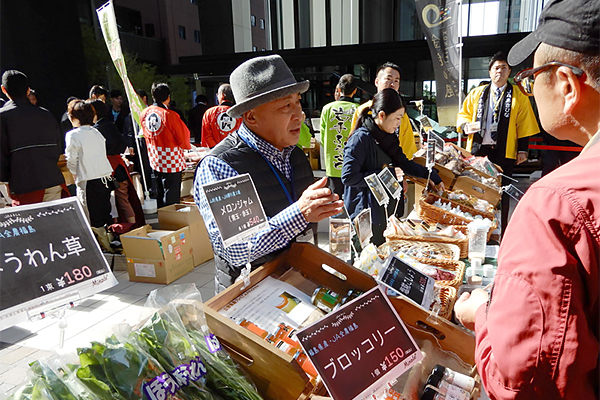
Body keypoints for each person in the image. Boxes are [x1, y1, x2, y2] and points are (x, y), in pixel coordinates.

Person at [454, 0, 599, 398]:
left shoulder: (554, 206)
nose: (528, 87)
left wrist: (479, 316)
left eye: (532, 75)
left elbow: (523, 378)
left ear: (568, 86)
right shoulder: (479, 94)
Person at [194, 54, 343, 293]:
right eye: (286, 105)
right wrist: (300, 214)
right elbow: (236, 249)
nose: (299, 114)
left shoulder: (293, 153)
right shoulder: (221, 166)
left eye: (298, 102)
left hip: (299, 283)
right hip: (252, 299)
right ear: (251, 116)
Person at [342, 88, 444, 246]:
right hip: (367, 215)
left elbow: (403, 163)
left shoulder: (388, 137)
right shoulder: (360, 139)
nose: (399, 123)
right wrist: (385, 175)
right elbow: (348, 177)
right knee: (369, 261)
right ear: (382, 115)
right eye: (397, 118)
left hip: (386, 210)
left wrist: (431, 175)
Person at [456, 52, 540, 234]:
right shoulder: (477, 93)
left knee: (503, 191)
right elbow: (463, 115)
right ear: (489, 72)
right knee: (477, 189)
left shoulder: (518, 95)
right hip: (480, 150)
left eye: (503, 68)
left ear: (509, 71)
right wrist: (464, 126)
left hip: (505, 150)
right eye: (496, 68)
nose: (499, 71)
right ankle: (477, 228)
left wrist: (523, 150)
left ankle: (502, 230)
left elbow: (524, 124)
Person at [0, 70, 68, 206]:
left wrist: (5, 182)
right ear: (28, 90)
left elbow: (1, 155)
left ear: (3, 90)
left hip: (23, 185)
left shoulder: (3, 117)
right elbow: (57, 148)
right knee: (55, 224)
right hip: (52, 179)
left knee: (33, 225)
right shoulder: (46, 115)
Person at [90, 100, 144, 230]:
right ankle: (134, 227)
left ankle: (121, 228)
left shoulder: (96, 130)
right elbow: (122, 142)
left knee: (108, 201)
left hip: (105, 167)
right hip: (119, 165)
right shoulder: (111, 125)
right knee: (124, 199)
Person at [350, 62, 417, 159]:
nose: (392, 84)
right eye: (388, 79)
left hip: (395, 169)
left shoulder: (401, 113)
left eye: (396, 81)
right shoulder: (363, 110)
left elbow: (407, 146)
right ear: (377, 82)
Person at [140, 82, 191, 207]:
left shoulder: (144, 113)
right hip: (171, 159)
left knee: (159, 191)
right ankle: (171, 221)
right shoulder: (170, 115)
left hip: (155, 157)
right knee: (171, 194)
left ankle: (162, 218)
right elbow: (183, 139)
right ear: (168, 97)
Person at [65, 99, 114, 227]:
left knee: (90, 218)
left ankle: (100, 244)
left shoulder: (73, 135)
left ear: (75, 117)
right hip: (104, 178)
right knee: (104, 214)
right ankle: (110, 242)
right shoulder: (96, 132)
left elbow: (71, 160)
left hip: (88, 179)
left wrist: (75, 173)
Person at [320, 74, 358, 198]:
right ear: (355, 91)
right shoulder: (359, 110)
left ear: (339, 90)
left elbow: (323, 138)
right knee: (353, 200)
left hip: (333, 163)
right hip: (354, 164)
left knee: (336, 201)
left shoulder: (327, 109)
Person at [200, 83, 242, 148]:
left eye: (217, 94)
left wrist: (215, 149)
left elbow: (207, 136)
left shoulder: (209, 113)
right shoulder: (240, 113)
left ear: (222, 95)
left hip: (216, 152)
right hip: (236, 151)